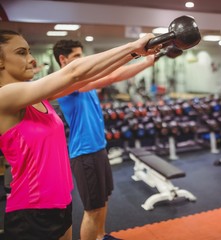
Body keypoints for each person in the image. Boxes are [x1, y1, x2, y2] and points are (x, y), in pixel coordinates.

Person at [0, 29, 158, 240]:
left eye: (29, 52)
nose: (30, 59)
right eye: (21, 52)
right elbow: (73, 72)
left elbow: (94, 75)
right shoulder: (5, 97)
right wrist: (133, 46)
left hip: (61, 200)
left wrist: (138, 55)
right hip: (31, 210)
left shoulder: (37, 95)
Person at [52, 39, 156, 240]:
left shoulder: (85, 80)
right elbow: (112, 76)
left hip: (99, 148)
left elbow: (110, 74)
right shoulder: (68, 82)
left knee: (103, 200)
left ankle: (100, 236)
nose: (82, 61)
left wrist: (149, 58)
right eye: (77, 57)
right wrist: (142, 57)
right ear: (63, 59)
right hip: (84, 153)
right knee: (93, 209)